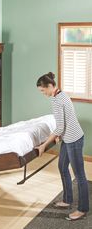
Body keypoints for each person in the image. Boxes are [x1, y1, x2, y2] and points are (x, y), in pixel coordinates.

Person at [35, 72, 89, 221]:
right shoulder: (61, 94)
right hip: (68, 138)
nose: (43, 93)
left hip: (74, 141)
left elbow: (59, 127)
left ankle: (83, 209)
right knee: (62, 167)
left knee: (80, 176)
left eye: (43, 90)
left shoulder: (57, 100)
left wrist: (44, 145)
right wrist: (60, 134)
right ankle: (67, 200)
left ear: (50, 86)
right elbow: (65, 121)